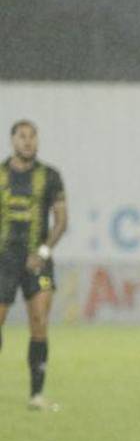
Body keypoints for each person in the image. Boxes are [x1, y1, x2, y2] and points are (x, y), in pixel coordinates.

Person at [0, 120, 68, 411]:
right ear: (12, 140)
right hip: (3, 259)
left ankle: (36, 395)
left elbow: (62, 220)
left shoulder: (50, 176)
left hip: (36, 259)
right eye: (22, 136)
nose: (28, 142)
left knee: (39, 322)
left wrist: (42, 251)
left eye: (32, 137)